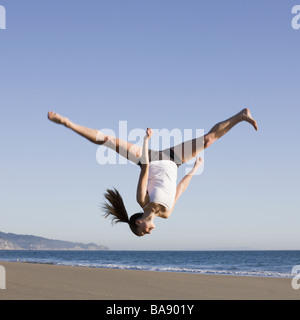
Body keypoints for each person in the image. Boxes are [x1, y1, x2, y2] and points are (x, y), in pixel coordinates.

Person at [48, 108, 257, 237]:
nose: (147, 232)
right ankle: (241, 116)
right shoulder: (166, 213)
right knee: (208, 141)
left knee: (108, 141)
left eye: (142, 231)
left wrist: (147, 141)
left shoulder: (142, 200)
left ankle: (68, 123)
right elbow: (180, 190)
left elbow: (146, 167)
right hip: (174, 161)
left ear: (139, 221)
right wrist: (193, 170)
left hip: (149, 158)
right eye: (145, 234)